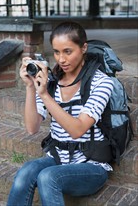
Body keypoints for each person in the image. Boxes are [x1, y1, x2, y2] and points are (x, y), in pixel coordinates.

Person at [7, 21, 114, 206]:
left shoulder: (101, 82)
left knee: (49, 177)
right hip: (59, 158)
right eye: (56, 52)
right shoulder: (52, 81)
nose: (61, 59)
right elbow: (32, 128)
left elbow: (77, 130)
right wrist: (31, 87)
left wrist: (45, 96)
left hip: (91, 165)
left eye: (68, 51)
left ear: (83, 48)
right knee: (26, 172)